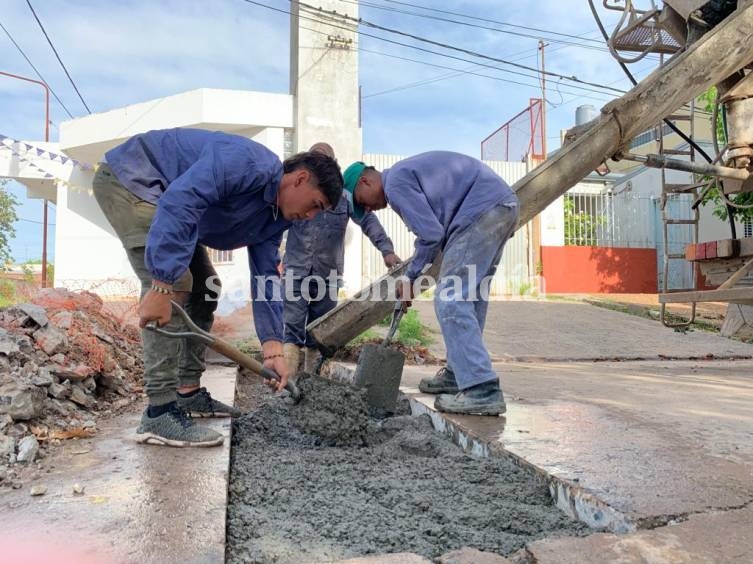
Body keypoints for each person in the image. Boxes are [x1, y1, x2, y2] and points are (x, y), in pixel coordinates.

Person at [93, 128, 343, 446]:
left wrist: (272, 348)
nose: (309, 217)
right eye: (314, 205)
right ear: (300, 179)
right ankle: (159, 413)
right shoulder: (247, 164)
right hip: (134, 178)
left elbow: (266, 277)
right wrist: (160, 284)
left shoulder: (276, 218)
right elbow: (182, 200)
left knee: (208, 288)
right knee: (177, 282)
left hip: (173, 204)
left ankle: (187, 393)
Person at [341, 152, 518, 416]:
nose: (366, 209)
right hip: (499, 207)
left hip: (481, 211)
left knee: (451, 298)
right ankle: (460, 373)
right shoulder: (403, 177)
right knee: (470, 299)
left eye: (360, 203)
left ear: (365, 181)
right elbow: (435, 233)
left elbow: (430, 234)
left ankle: (483, 389)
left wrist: (410, 279)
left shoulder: (396, 184)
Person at [282, 142, 400, 373]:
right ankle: (288, 383)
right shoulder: (299, 193)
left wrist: (386, 250)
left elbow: (368, 222)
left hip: (328, 275)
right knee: (291, 328)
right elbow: (276, 224)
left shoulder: (344, 199)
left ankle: (312, 381)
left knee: (320, 331)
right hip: (295, 271)